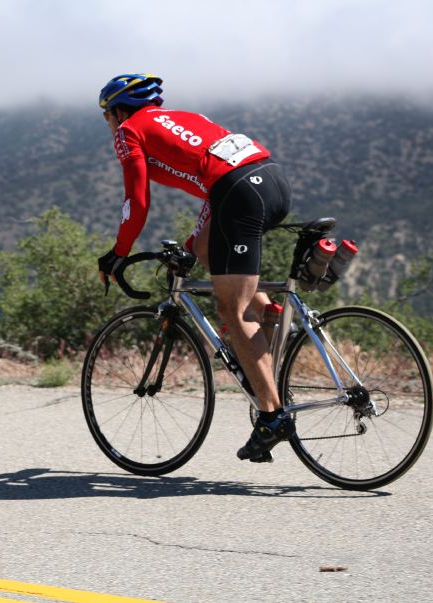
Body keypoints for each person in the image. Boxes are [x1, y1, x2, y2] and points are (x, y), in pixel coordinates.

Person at [96, 73, 294, 463]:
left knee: (230, 310)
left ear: (119, 111)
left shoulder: (129, 130)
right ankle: (268, 315)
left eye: (107, 117)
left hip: (238, 192)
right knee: (209, 252)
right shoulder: (185, 118)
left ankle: (272, 417)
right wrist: (191, 244)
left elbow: (136, 202)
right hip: (271, 180)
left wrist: (118, 252)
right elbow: (214, 192)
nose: (109, 126)